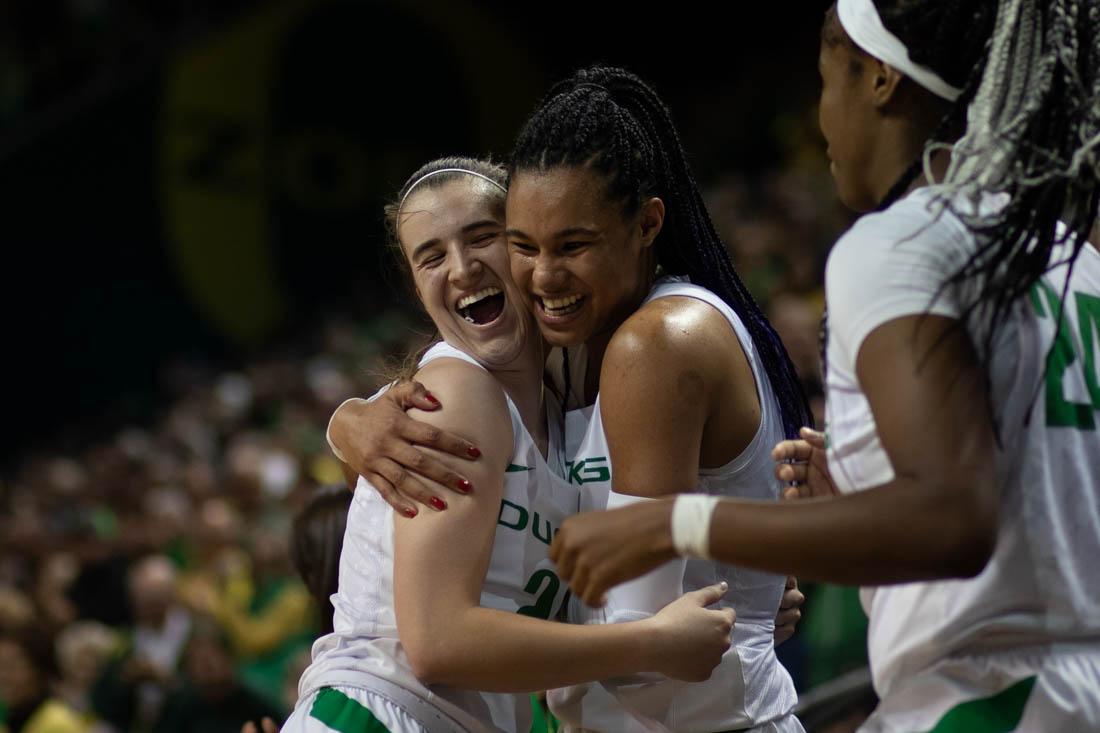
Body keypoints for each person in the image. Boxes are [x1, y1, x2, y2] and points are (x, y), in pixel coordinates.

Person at [547, 1, 1100, 731]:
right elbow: (1015, 510)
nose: (822, 120)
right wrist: (858, 503)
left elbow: (956, 519)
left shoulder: (904, 243)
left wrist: (675, 523)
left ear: (876, 78)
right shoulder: (1071, 257)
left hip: (991, 695)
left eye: (826, 81)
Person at [330, 67, 811, 732]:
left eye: (572, 244)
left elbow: (644, 636)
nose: (545, 273)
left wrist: (748, 593)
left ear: (646, 224)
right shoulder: (546, 366)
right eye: (527, 245)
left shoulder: (652, 343)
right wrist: (349, 422)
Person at [284, 157, 735, 733]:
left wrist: (733, 590)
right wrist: (652, 643)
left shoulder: (554, 412)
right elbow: (438, 643)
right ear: (417, 286)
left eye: (482, 238)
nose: (463, 268)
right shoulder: (454, 392)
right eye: (432, 256)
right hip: (377, 715)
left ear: (524, 247)